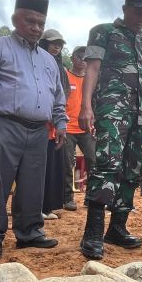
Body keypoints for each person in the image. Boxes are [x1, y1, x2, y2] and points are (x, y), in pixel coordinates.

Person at [0, 0, 67, 260]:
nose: (36, 28)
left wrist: (61, 122)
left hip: (38, 130)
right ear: (15, 19)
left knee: (33, 183)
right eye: (30, 21)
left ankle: (29, 232)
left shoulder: (49, 60)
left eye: (40, 23)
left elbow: (57, 95)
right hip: (2, 123)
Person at [78, 0, 142, 259]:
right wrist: (86, 106)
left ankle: (118, 228)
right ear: (125, 8)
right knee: (106, 166)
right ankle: (93, 233)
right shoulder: (103, 32)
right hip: (112, 111)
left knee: (133, 169)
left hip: (140, 116)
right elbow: (92, 69)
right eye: (138, 11)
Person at [37, 29, 70, 219]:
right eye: (53, 43)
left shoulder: (60, 67)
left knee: (51, 168)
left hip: (55, 125)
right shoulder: (38, 63)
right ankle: (35, 207)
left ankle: (46, 207)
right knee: (38, 168)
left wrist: (60, 120)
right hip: (39, 124)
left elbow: (62, 94)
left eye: (60, 44)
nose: (57, 47)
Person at [62, 45, 96, 211]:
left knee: (93, 160)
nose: (83, 61)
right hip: (67, 128)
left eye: (85, 58)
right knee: (67, 163)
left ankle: (90, 197)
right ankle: (68, 198)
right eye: (79, 57)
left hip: (86, 129)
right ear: (73, 59)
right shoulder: (65, 76)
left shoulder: (91, 80)